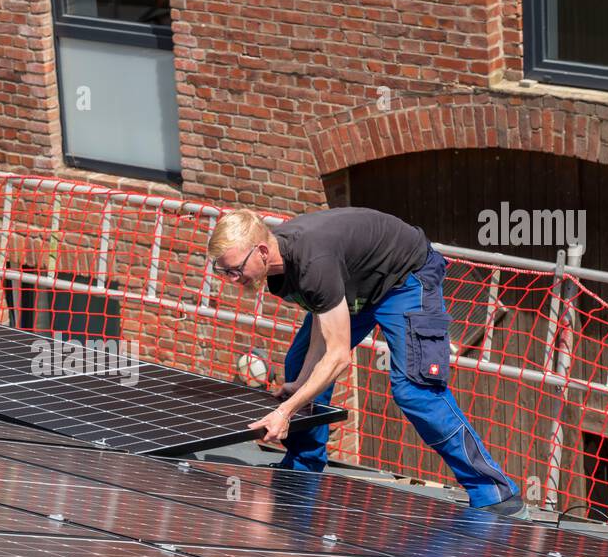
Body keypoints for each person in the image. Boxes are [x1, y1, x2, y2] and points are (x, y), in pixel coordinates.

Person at [207, 206, 525, 517]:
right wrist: (302, 381)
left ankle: (495, 491)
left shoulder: (311, 261)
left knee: (415, 390)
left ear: (262, 250)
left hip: (404, 277)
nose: (233, 279)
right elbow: (322, 319)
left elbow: (338, 355)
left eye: (235, 269)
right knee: (300, 362)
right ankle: (303, 468)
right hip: (357, 286)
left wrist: (284, 412)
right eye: (225, 272)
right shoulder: (282, 265)